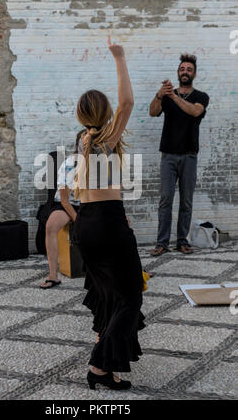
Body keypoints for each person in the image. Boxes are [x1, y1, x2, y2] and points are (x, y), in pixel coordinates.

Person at [72, 36, 145, 391]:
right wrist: (120, 56)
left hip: (87, 225)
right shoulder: (103, 140)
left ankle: (109, 364)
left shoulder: (82, 140)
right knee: (131, 297)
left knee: (108, 296)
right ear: (104, 115)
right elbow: (129, 101)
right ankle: (99, 367)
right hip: (107, 224)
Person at [149, 54, 210, 256]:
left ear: (194, 73)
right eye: (182, 69)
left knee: (186, 201)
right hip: (168, 156)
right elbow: (152, 112)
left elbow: (194, 112)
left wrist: (173, 97)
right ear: (178, 72)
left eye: (189, 69)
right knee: (165, 200)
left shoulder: (201, 97)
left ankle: (182, 241)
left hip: (189, 156)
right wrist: (159, 95)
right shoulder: (166, 96)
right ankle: (162, 243)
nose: (185, 72)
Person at [39, 130, 85, 289]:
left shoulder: (100, 163)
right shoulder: (70, 164)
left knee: (119, 223)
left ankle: (133, 269)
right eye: (83, 142)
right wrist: (78, 221)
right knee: (51, 226)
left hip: (90, 203)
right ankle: (53, 275)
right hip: (68, 204)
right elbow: (65, 200)